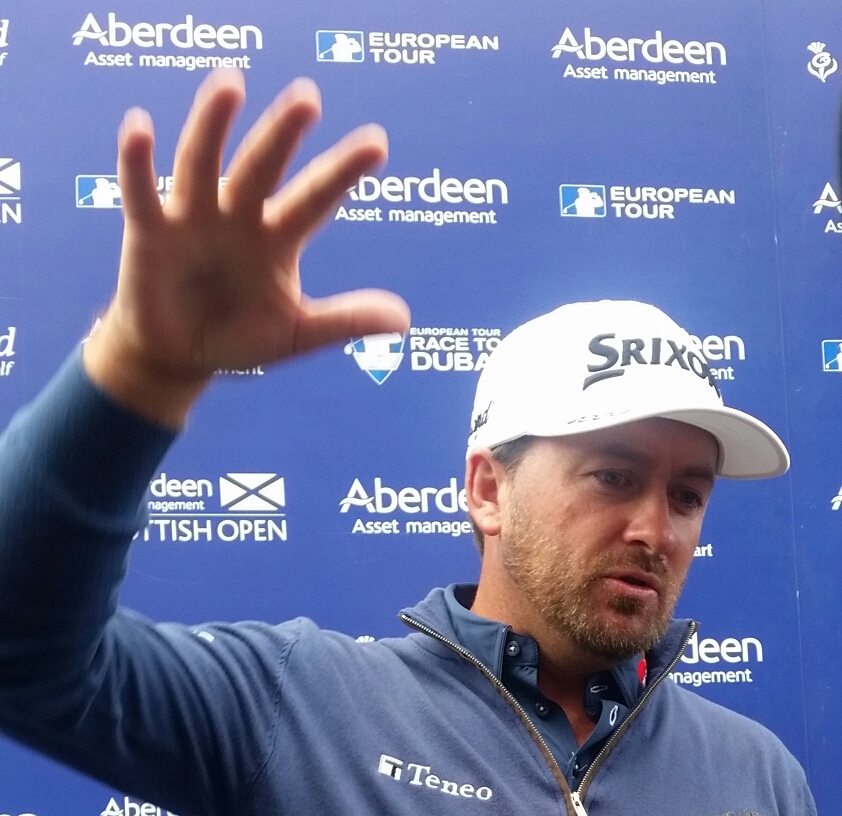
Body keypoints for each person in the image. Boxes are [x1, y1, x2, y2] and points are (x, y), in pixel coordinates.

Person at [0, 69, 817, 816]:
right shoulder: (301, 704)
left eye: (688, 494)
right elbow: (23, 659)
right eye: (613, 475)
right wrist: (140, 370)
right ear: (488, 490)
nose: (655, 530)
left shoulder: (759, 774)